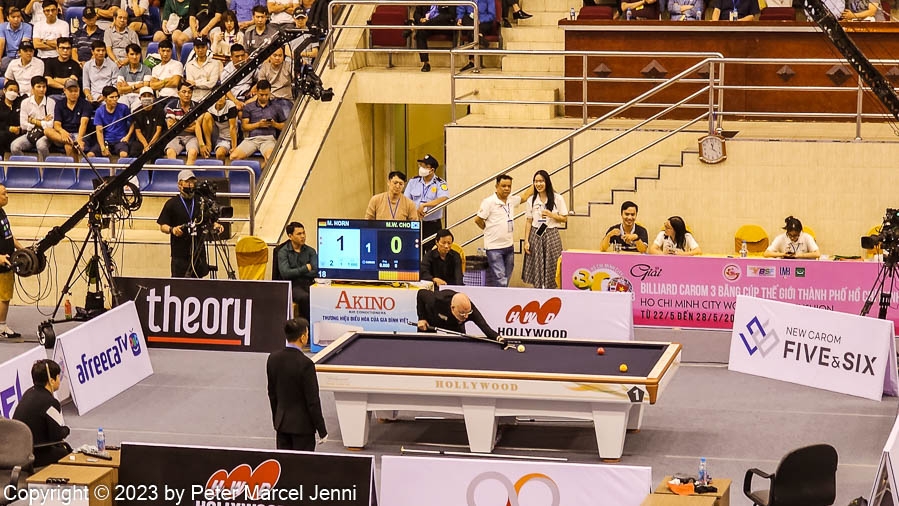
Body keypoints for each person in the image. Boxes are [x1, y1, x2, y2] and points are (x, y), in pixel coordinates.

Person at [266, 317, 327, 451]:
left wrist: (277, 419)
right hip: (303, 428)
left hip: (282, 425)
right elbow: (312, 401)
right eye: (307, 333)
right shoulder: (306, 364)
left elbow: (272, 394)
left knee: (285, 462)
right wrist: (322, 430)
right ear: (303, 337)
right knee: (302, 464)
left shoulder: (273, 358)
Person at [157, 169, 224, 277]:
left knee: (198, 281)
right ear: (180, 184)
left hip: (198, 251)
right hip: (180, 253)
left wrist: (215, 224)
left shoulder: (201, 201)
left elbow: (208, 219)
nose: (190, 185)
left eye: (192, 182)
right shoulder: (172, 203)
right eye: (187, 182)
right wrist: (172, 230)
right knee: (180, 282)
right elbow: (162, 226)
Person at [474, 174, 532, 287]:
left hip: (509, 246)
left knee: (506, 278)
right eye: (503, 186)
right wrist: (487, 228)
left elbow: (525, 197)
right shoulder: (489, 202)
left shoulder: (511, 200)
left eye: (509, 186)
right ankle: (501, 297)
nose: (507, 189)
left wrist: (536, 183)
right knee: (500, 279)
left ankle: (500, 295)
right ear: (496, 186)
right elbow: (477, 220)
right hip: (494, 248)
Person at [12, 359, 72, 465]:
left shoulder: (28, 393)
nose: (59, 380)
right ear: (52, 381)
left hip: (17, 451)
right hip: (34, 453)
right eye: (58, 376)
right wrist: (67, 429)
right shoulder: (51, 402)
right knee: (64, 451)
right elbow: (57, 435)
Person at [522, 170, 567, 289]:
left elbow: (564, 218)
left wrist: (551, 215)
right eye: (536, 181)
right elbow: (529, 221)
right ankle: (538, 291)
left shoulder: (557, 198)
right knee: (536, 265)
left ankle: (552, 290)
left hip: (552, 234)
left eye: (541, 181)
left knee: (554, 263)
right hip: (535, 234)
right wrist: (526, 241)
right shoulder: (531, 200)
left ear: (547, 182)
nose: (538, 184)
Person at [230, 79, 285, 162]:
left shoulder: (277, 107)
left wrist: (274, 124)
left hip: (269, 139)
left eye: (267, 95)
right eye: (261, 95)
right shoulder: (249, 107)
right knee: (233, 157)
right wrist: (258, 124)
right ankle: (258, 168)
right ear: (256, 93)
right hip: (252, 139)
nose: (264, 97)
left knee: (270, 158)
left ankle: (260, 168)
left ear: (270, 92)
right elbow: (244, 127)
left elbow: (285, 127)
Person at [416, 288, 499, 340]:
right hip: (431, 321)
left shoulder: (469, 310)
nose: (466, 316)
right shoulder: (437, 300)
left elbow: (485, 328)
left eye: (468, 313)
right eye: (462, 313)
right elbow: (421, 293)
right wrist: (422, 318)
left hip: (454, 326)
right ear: (453, 308)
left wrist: (499, 339)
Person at [405, 154, 449, 251]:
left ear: (432, 170)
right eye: (421, 165)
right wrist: (415, 210)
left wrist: (425, 205)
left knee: (432, 252)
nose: (421, 168)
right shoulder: (413, 181)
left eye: (425, 166)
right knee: (415, 251)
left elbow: (444, 198)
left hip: (432, 224)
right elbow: (406, 200)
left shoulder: (440, 183)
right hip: (415, 222)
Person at [277, 222, 316, 320]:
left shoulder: (311, 251)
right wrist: (305, 268)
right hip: (293, 286)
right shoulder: (283, 252)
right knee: (305, 297)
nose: (303, 236)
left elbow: (315, 271)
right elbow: (285, 274)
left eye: (303, 233)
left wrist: (295, 272)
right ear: (290, 236)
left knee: (321, 294)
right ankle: (306, 325)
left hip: (309, 283)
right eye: (299, 234)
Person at [46, 78, 91, 160]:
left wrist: (79, 138)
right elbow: (57, 124)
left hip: (79, 133)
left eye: (75, 91)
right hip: (64, 135)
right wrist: (62, 132)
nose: (73, 93)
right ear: (65, 91)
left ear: (79, 90)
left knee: (68, 146)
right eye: (70, 91)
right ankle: (73, 142)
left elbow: (84, 123)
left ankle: (75, 168)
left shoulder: (85, 104)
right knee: (47, 131)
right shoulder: (59, 104)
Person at [11, 75, 53, 159]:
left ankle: (46, 166)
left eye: (44, 87)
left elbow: (51, 125)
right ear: (33, 88)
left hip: (45, 134)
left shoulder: (51, 102)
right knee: (14, 146)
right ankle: (27, 166)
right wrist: (42, 121)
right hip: (31, 134)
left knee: (41, 145)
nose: (42, 89)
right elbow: (23, 125)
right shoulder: (25, 102)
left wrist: (32, 120)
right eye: (39, 86)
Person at [0, 185, 23, 339]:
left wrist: (22, 249)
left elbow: (9, 236)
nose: (7, 196)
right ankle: (2, 327)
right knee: (4, 296)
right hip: (2, 262)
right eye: (4, 194)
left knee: (5, 296)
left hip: (8, 260)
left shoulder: (2, 212)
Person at [86, 84, 130, 157]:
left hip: (120, 141)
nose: (115, 99)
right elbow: (99, 131)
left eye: (116, 97)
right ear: (105, 98)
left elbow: (132, 123)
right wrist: (103, 147)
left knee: (124, 155)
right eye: (112, 97)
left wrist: (128, 136)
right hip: (105, 141)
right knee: (90, 155)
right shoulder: (99, 111)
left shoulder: (124, 108)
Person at [163, 82, 201, 164]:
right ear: (178, 93)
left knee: (193, 152)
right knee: (170, 151)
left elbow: (197, 128)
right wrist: (190, 125)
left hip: (192, 137)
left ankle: (187, 172)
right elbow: (171, 127)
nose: (187, 95)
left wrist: (178, 124)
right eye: (184, 92)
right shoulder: (171, 106)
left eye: (189, 92)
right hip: (176, 136)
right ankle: (175, 172)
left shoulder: (197, 106)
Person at [409, 4, 454, 73]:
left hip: (443, 25)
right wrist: (421, 19)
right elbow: (416, 13)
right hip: (428, 26)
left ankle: (414, 28)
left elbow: (451, 15)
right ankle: (426, 63)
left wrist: (433, 20)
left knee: (439, 18)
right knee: (420, 33)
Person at [456, 0, 496, 73]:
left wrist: (480, 20)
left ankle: (472, 62)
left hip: (483, 22)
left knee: (472, 32)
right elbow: (461, 8)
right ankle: (480, 38)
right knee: (466, 20)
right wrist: (459, 18)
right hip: (470, 20)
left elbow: (492, 15)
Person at [254, 45, 293, 118]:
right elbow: (261, 86)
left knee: (287, 117)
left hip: (285, 100)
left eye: (280, 55)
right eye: (275, 55)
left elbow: (296, 77)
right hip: (270, 100)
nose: (277, 58)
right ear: (270, 56)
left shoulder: (288, 65)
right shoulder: (265, 67)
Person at [128, 86, 164, 156]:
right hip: (142, 141)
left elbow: (158, 130)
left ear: (153, 97)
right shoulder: (136, 112)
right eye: (144, 96)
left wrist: (150, 145)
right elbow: (138, 132)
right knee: (134, 151)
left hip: (155, 140)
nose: (146, 98)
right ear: (140, 98)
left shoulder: (159, 110)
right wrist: (146, 145)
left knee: (157, 153)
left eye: (149, 96)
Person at [198, 94, 237, 160]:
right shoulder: (210, 105)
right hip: (215, 135)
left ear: (226, 96)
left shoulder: (231, 105)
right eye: (218, 95)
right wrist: (201, 144)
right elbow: (197, 124)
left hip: (226, 138)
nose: (220, 98)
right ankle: (209, 144)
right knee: (206, 115)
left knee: (220, 153)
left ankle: (222, 166)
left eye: (222, 95)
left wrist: (234, 147)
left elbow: (232, 127)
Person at [184, 36, 221, 103]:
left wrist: (196, 83)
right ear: (194, 48)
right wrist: (206, 80)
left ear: (207, 47)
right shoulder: (189, 65)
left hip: (209, 98)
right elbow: (190, 84)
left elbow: (211, 84)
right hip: (193, 98)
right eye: (198, 47)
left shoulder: (215, 63)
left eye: (203, 47)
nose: (200, 50)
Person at [82, 39, 118, 105]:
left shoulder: (113, 66)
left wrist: (104, 96)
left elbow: (115, 86)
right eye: (98, 50)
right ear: (92, 52)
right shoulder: (87, 65)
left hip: (108, 97)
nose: (101, 53)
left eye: (103, 50)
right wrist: (88, 96)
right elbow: (86, 86)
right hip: (92, 97)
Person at [115, 43, 150, 109]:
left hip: (139, 97)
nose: (134, 57)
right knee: (121, 107)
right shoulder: (123, 70)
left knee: (137, 108)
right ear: (127, 55)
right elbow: (119, 90)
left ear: (140, 55)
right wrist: (135, 86)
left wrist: (127, 88)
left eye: (137, 54)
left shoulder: (146, 69)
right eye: (132, 54)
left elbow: (145, 90)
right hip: (124, 97)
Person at [0, 7, 32, 72]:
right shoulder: (2, 27)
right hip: (8, 56)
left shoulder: (27, 27)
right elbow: (1, 44)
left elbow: (24, 44)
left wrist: (20, 59)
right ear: (8, 18)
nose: (16, 19)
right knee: (3, 65)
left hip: (22, 56)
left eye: (18, 16)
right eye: (13, 17)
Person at [0, 80, 23, 154]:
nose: (13, 92)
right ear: (4, 90)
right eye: (10, 90)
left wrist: (19, 128)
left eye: (15, 91)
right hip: (3, 131)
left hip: (18, 133)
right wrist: (8, 128)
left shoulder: (21, 104)